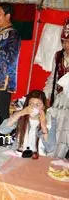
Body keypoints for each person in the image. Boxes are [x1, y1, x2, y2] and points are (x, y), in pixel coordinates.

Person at [0, 90, 56, 156]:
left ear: (43, 107)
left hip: (37, 158)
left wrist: (43, 125)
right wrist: (19, 113)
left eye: (38, 105)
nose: (34, 107)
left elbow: (50, 148)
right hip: (18, 154)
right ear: (27, 104)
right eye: (31, 104)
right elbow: (2, 130)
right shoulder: (21, 115)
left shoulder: (50, 120)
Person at [44, 18, 69, 158]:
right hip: (57, 102)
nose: (66, 45)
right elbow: (52, 77)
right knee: (53, 135)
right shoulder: (58, 56)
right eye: (64, 41)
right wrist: (46, 95)